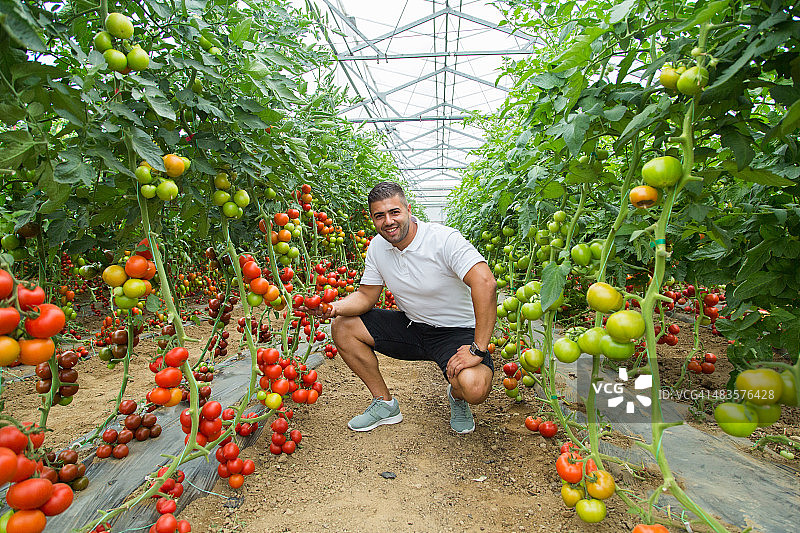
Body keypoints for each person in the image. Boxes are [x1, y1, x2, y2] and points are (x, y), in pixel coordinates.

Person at [311, 181, 497, 434]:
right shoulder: (377, 246)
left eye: (394, 212)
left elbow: (485, 283)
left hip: (456, 332)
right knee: (343, 325)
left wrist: (478, 348)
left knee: (474, 387)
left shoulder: (443, 239)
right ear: (373, 219)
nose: (388, 221)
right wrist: (332, 308)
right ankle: (385, 404)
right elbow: (367, 296)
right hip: (412, 326)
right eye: (380, 216)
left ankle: (458, 397)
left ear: (408, 210)